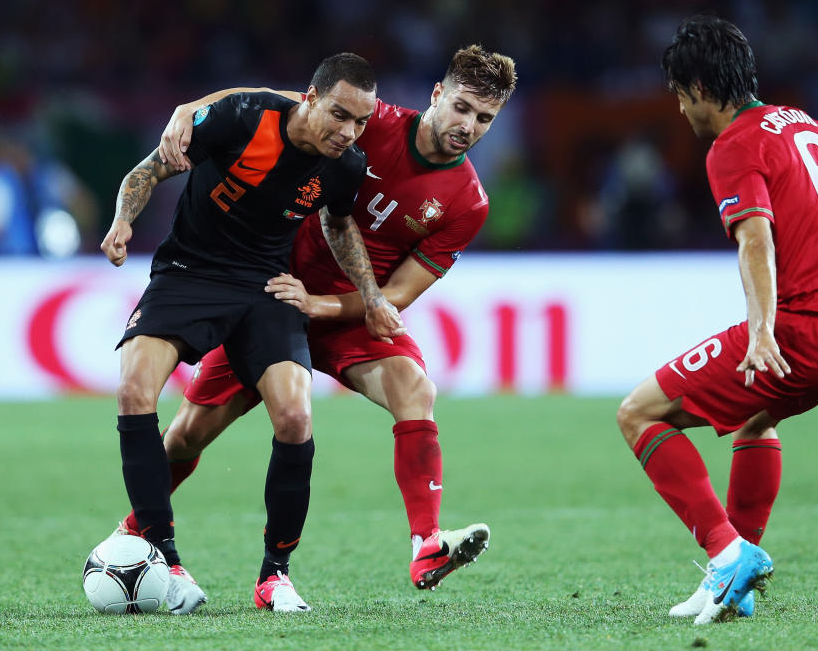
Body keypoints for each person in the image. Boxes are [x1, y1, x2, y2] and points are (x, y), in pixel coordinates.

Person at [117, 45, 518, 602]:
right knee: (187, 434)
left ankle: (425, 541)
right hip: (271, 293)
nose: (468, 126)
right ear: (437, 96)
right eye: (463, 107)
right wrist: (191, 109)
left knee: (415, 390)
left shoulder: (467, 202)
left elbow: (394, 297)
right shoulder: (367, 120)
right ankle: (136, 531)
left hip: (343, 313)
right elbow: (277, 104)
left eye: (484, 119)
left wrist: (323, 305)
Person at [615, 15, 818, 625]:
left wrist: (761, 333)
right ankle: (736, 588)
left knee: (638, 413)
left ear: (699, 88)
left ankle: (727, 553)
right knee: (754, 420)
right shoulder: (812, 126)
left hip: (803, 332)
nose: (680, 111)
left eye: (679, 95)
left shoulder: (734, 145)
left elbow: (756, 240)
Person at [101, 52, 404, 615]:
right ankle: (163, 557)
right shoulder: (245, 117)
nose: (348, 132)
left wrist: (371, 297)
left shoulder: (346, 166)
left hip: (266, 286)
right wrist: (123, 221)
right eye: (339, 115)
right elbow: (146, 171)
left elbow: (338, 226)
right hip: (188, 273)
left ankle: (275, 577)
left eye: (360, 122)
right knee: (133, 392)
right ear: (309, 98)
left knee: (295, 416)